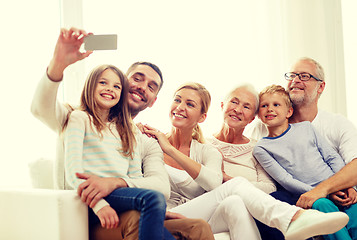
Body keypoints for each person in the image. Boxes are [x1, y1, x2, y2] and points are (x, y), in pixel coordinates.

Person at [31, 27, 214, 240]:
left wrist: (117, 182)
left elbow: (160, 188)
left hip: (130, 209)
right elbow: (40, 109)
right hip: (88, 214)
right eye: (137, 78)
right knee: (137, 220)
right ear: (123, 82)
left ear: (153, 100)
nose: (142, 87)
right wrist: (58, 64)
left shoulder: (145, 140)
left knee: (198, 228)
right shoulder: (77, 116)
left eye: (151, 86)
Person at [141, 82, 350, 240]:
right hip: (161, 212)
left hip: (195, 213)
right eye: (177, 100)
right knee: (235, 187)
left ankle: (294, 219)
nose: (180, 107)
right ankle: (293, 218)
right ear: (222, 106)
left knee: (234, 201)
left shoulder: (208, 151)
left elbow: (214, 183)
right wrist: (165, 147)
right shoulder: (150, 141)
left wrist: (170, 150)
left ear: (202, 116)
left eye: (189, 104)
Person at [244, 57, 357, 239]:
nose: (296, 80)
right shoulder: (260, 137)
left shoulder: (328, 125)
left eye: (304, 76)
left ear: (320, 87)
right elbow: (284, 178)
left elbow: (342, 162)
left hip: (337, 190)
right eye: (292, 75)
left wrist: (347, 187)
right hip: (304, 196)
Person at [207, 84, 276, 194]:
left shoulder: (257, 149)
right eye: (234, 102)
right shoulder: (203, 143)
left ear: (252, 119)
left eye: (246, 107)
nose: (238, 110)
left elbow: (269, 188)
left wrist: (227, 180)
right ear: (222, 105)